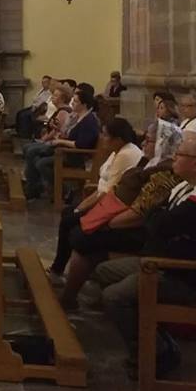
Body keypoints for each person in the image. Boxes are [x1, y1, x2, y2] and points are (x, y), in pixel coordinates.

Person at [93, 134, 196, 380]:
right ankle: (154, 335)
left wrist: (156, 219)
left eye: (180, 155)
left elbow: (158, 222)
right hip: (163, 263)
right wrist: (156, 219)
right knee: (104, 271)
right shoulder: (188, 185)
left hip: (187, 277)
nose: (173, 159)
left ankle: (156, 354)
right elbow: (155, 217)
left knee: (114, 297)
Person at [47, 118, 143, 290]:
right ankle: (59, 268)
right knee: (68, 215)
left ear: (118, 139)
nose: (102, 138)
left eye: (106, 135)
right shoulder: (118, 151)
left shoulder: (127, 154)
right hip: (101, 198)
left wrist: (79, 209)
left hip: (111, 205)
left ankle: (58, 270)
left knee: (70, 220)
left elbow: (106, 192)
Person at [23, 90, 101, 201]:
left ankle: (61, 190)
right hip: (65, 150)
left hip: (75, 157)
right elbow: (70, 135)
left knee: (39, 160)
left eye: (75, 101)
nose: (72, 103)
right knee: (33, 153)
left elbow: (80, 144)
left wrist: (60, 142)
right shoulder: (78, 116)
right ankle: (36, 187)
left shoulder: (89, 121)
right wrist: (59, 131)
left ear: (84, 104)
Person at [15, 75, 52, 139]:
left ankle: (25, 134)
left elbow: (44, 103)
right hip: (34, 106)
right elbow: (35, 99)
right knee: (19, 112)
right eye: (42, 82)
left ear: (49, 83)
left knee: (24, 115)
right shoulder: (41, 90)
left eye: (45, 82)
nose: (43, 84)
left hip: (39, 109)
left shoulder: (50, 92)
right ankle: (18, 131)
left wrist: (35, 107)